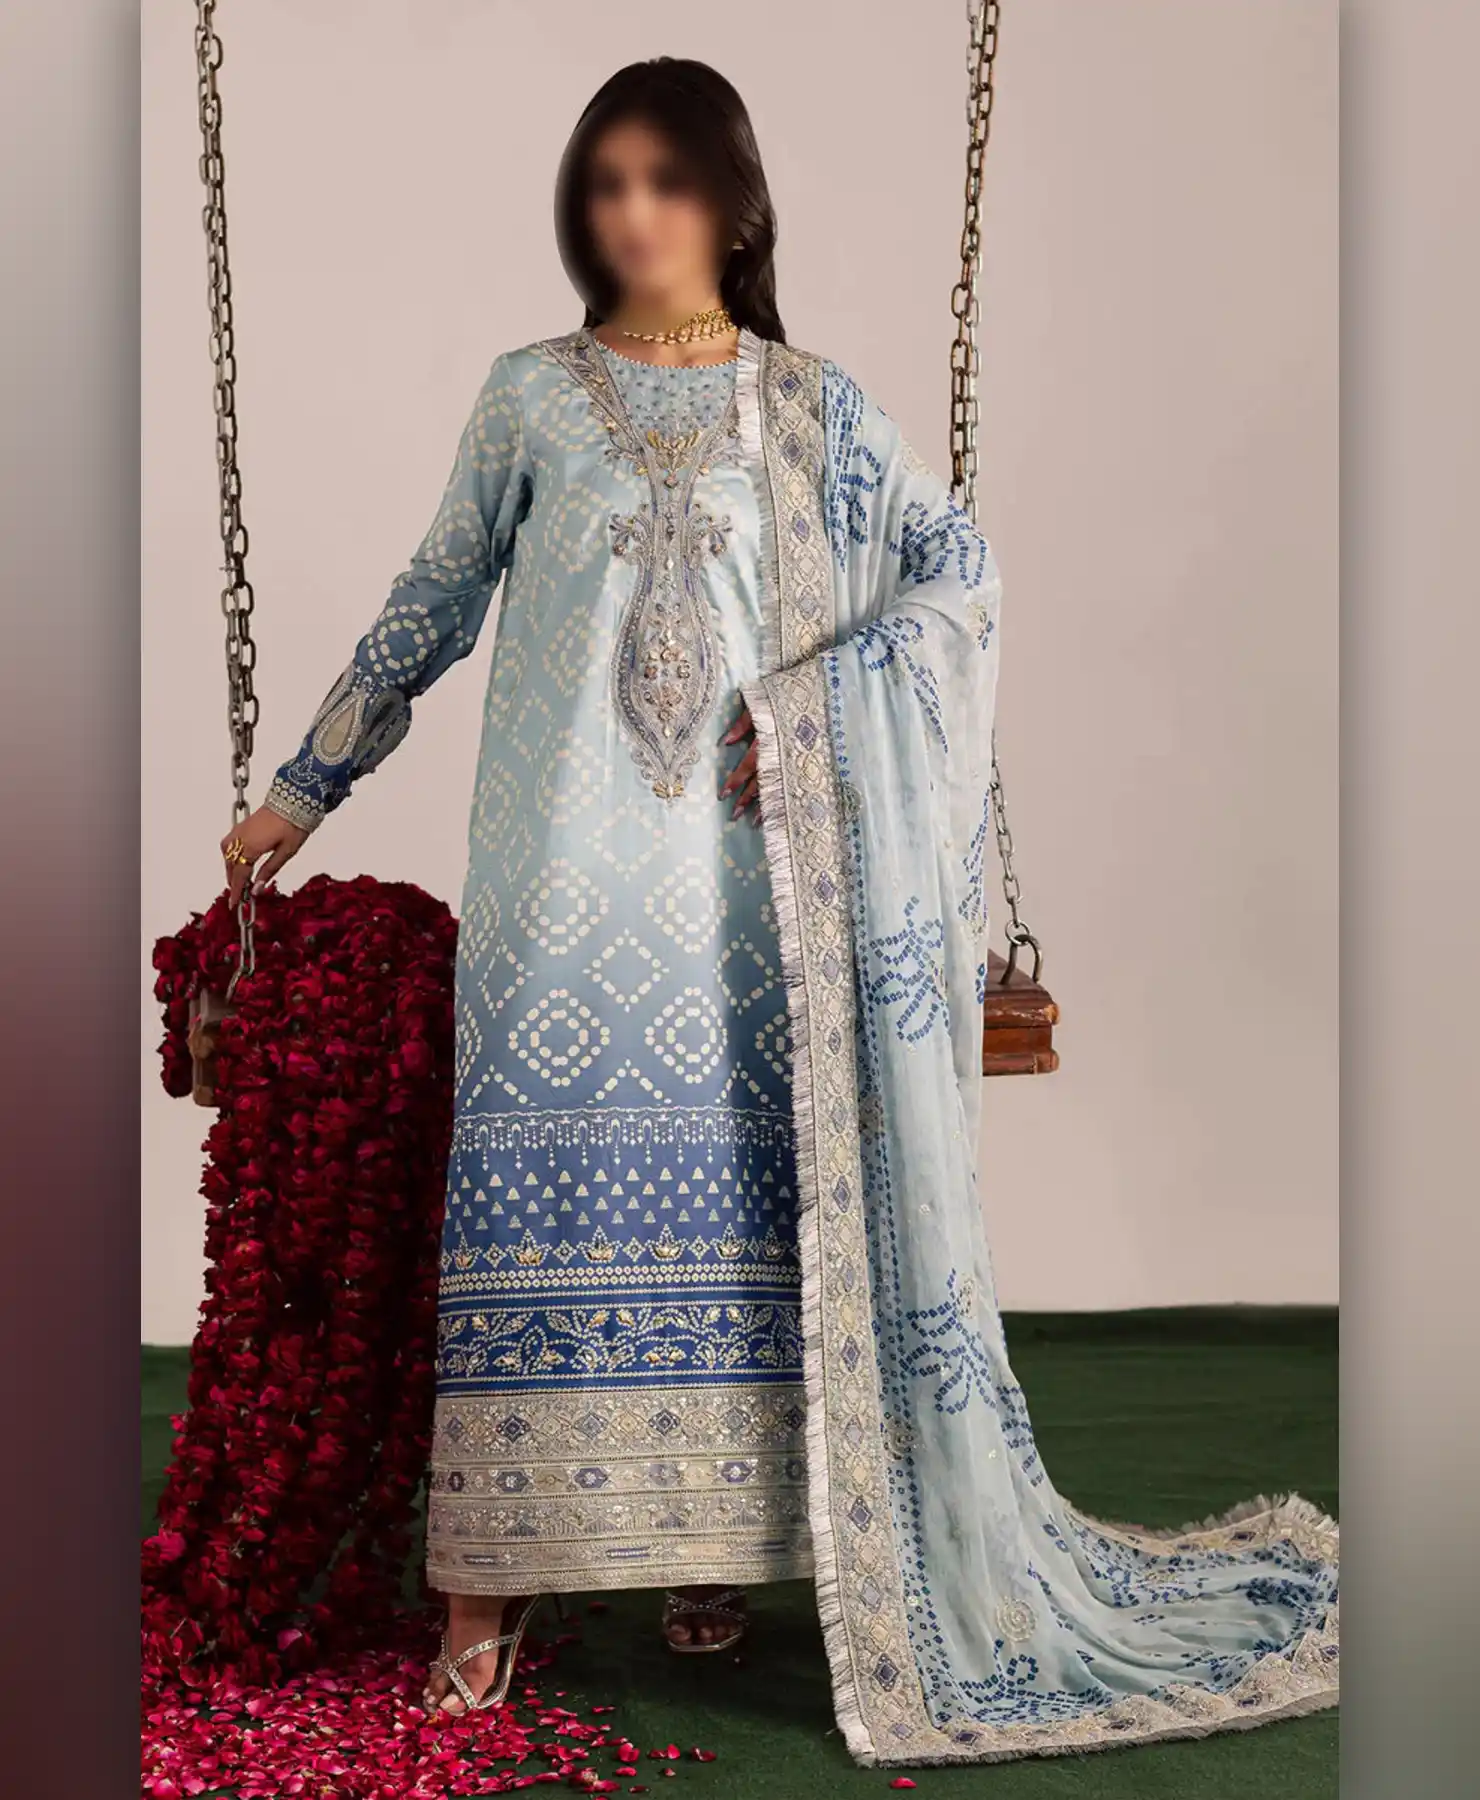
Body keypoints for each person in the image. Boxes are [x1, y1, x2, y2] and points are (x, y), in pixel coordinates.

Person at [218, 56, 1338, 1764]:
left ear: (733, 205)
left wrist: (820, 711)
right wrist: (305, 786)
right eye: (607, 184)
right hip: (558, 887)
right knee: (540, 1196)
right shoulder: (530, 398)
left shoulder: (813, 409)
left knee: (748, 1205)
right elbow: (433, 600)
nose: (634, 214)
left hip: (756, 901)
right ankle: (489, 1587)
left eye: (666, 182)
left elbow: (958, 579)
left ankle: (714, 1550)